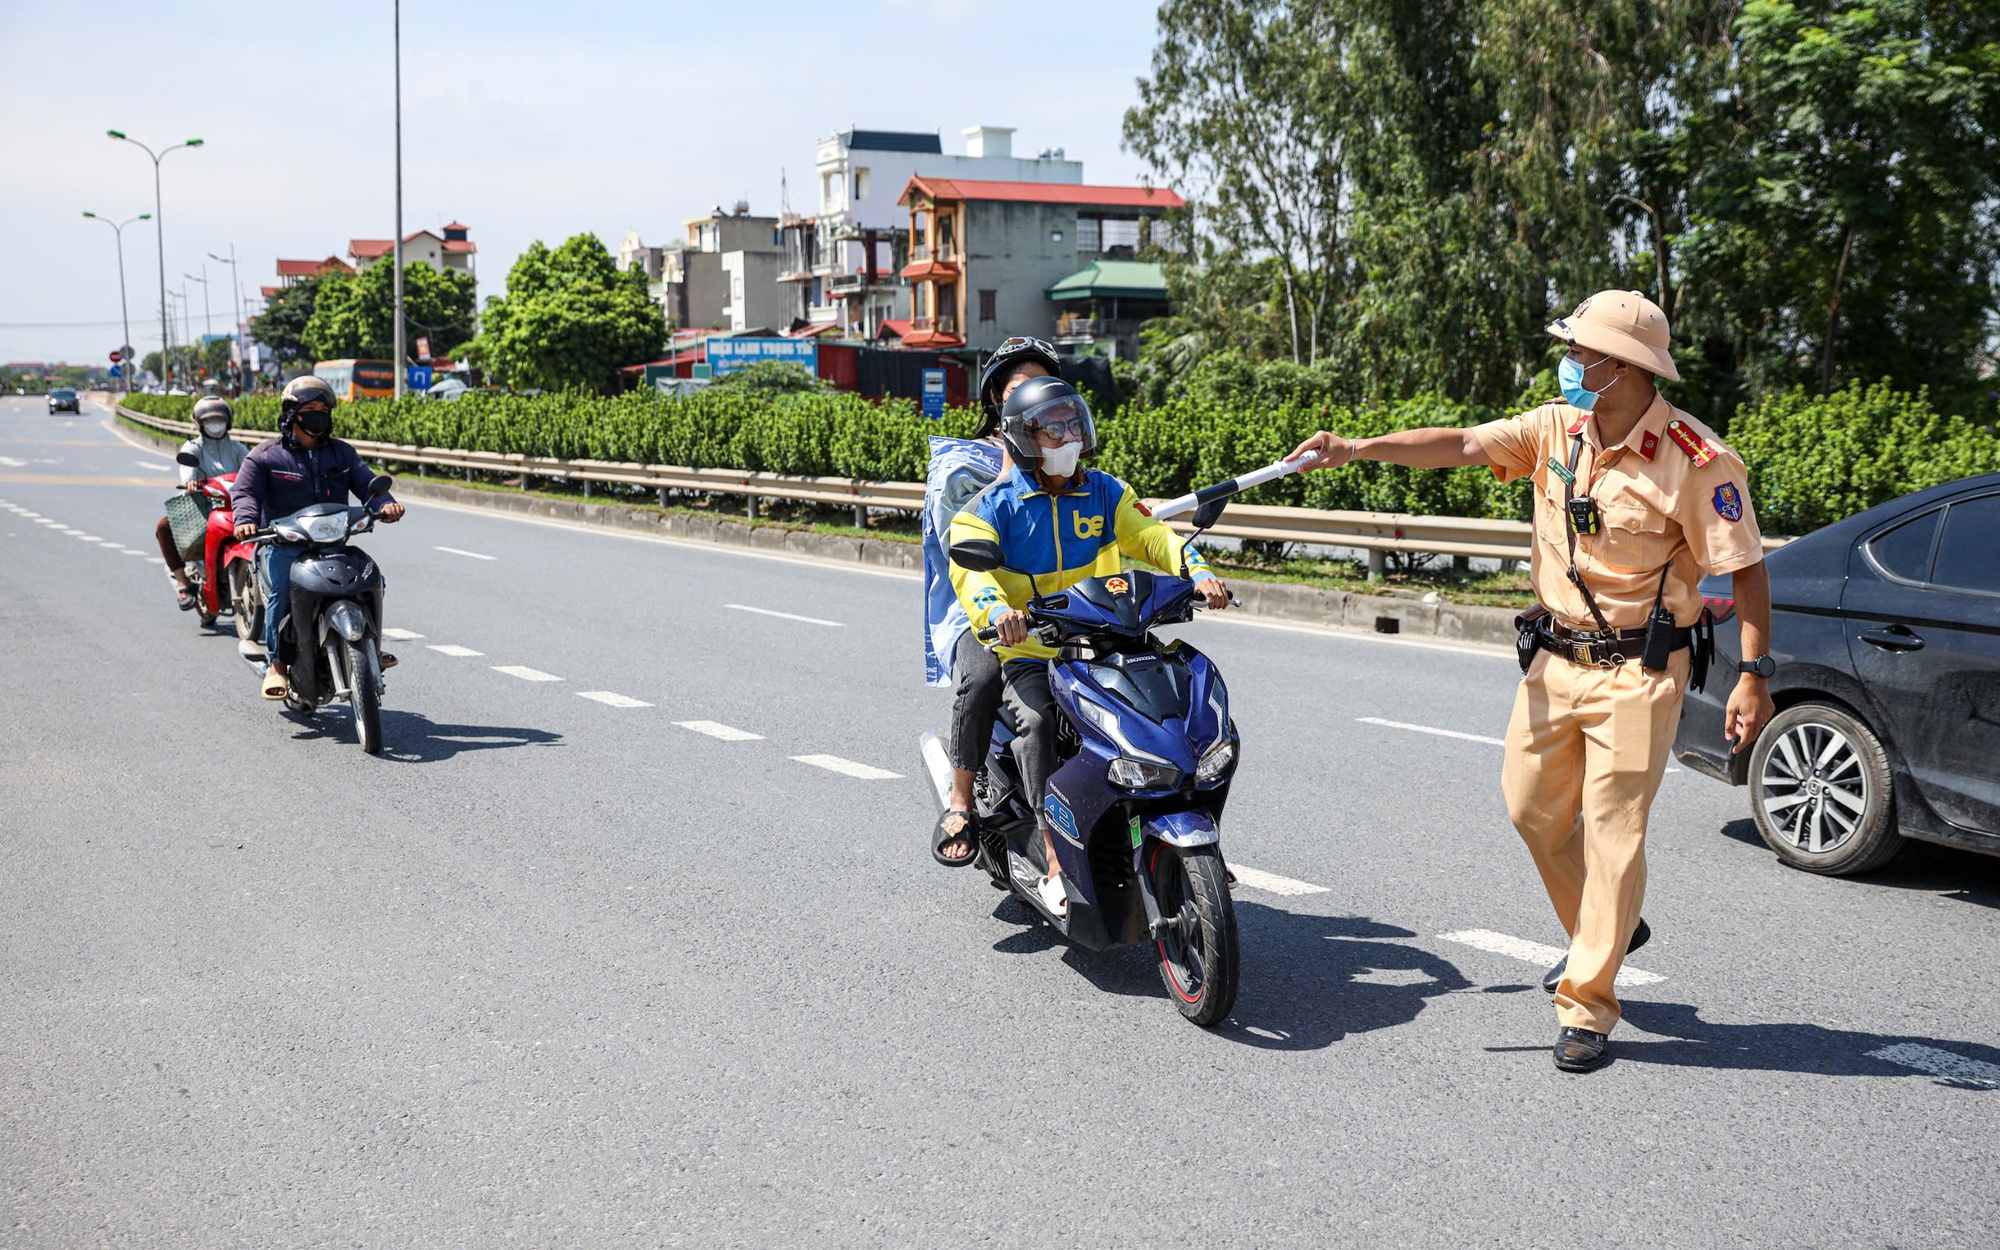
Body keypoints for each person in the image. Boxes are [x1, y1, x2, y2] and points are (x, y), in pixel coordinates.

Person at [1289, 290, 1775, 1073]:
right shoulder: (1557, 425)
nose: (1570, 362)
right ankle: (1605, 926)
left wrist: (1753, 674)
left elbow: (1745, 570)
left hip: (1641, 670)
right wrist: (1356, 449)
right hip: (1553, 660)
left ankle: (1588, 1002)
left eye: (1581, 351)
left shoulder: (1696, 459)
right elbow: (1460, 445)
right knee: (1530, 810)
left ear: (1623, 367)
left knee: (1616, 833)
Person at [949, 377, 1231, 916]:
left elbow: (1152, 537)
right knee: (1037, 724)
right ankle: (1053, 854)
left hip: (1103, 641)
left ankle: (1185, 831)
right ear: (1023, 438)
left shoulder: (1105, 490)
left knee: (1169, 706)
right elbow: (971, 573)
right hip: (1030, 649)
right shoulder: (993, 506)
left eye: (1072, 423)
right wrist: (998, 612)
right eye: (1051, 428)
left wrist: (1197, 571)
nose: (1067, 436)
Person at [924, 336, 1062, 867]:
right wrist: (1018, 469)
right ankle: (960, 800)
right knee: (982, 677)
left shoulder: (1065, 452)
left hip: (1056, 608)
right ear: (996, 404)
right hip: (981, 607)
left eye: (1043, 386)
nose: (1034, 398)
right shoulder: (964, 463)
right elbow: (956, 541)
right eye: (1018, 389)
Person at [232, 376, 405, 700]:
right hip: (282, 545)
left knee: (371, 578)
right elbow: (244, 494)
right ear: (291, 414)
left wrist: (386, 505)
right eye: (310, 409)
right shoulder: (266, 456)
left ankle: (369, 645)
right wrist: (245, 522)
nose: (318, 415)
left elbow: (368, 486)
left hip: (333, 544)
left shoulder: (342, 453)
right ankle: (277, 666)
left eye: (323, 409)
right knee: (282, 591)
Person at [155, 396, 250, 609]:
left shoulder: (238, 448)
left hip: (235, 505)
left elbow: (251, 470)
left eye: (219, 419)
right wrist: (190, 482)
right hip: (202, 504)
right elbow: (187, 473)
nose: (215, 424)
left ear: (228, 421)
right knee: (163, 527)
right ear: (198, 423)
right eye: (208, 420)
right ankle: (182, 583)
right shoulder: (192, 447)